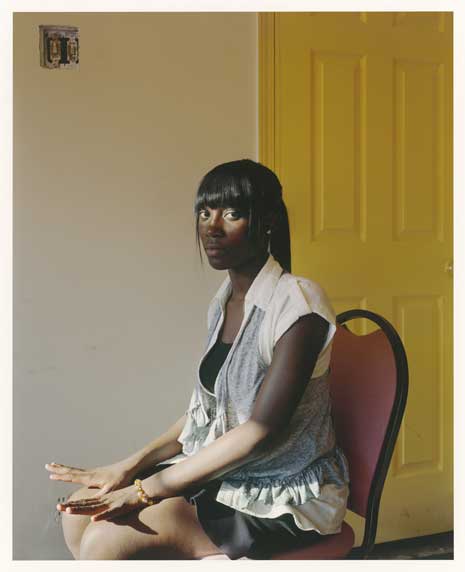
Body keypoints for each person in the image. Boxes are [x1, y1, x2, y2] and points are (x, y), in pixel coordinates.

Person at [45, 159, 350, 560]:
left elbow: (259, 430)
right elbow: (204, 414)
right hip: (230, 474)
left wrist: (145, 490)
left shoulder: (299, 305)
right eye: (205, 213)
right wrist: (128, 467)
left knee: (108, 538)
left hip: (282, 493)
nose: (212, 226)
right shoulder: (223, 302)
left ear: (268, 221)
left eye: (233, 213)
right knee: (79, 513)